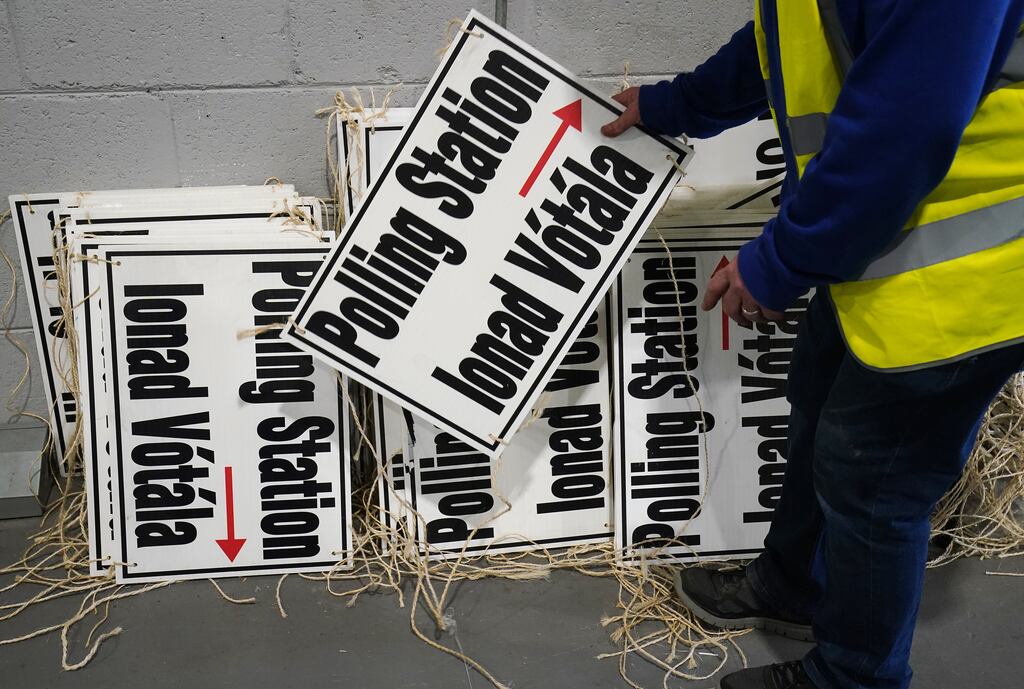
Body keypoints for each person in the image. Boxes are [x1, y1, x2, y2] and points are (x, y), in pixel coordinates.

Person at [602, 2, 1024, 688]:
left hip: (979, 267)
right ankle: (793, 581)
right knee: (816, 394)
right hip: (888, 242)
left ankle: (854, 676)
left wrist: (779, 262)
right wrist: (671, 105)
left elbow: (905, 125)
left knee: (874, 479)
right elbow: (782, 35)